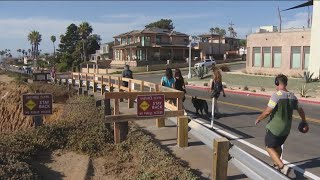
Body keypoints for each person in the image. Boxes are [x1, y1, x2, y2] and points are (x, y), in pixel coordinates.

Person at [255, 74, 308, 175]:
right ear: (286, 83)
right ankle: (276, 165)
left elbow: (267, 111)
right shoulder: (293, 96)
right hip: (286, 129)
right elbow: (301, 110)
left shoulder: (276, 95)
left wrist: (259, 118)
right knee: (278, 146)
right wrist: (304, 121)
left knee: (269, 147)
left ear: (277, 83)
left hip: (275, 128)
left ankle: (282, 166)